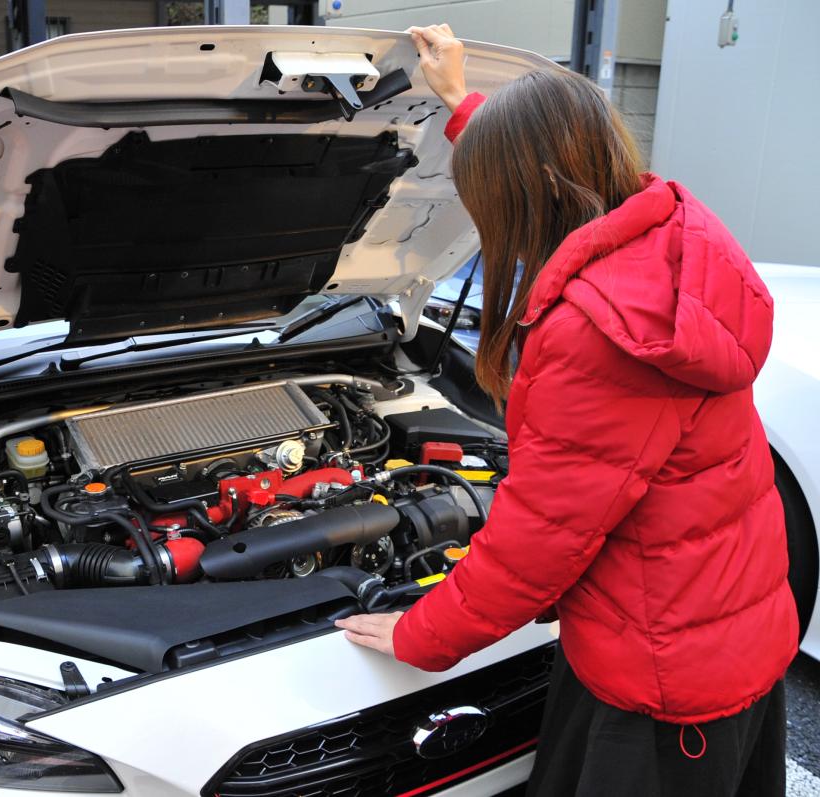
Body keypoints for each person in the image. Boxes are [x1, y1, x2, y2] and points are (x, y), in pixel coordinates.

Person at [334, 24, 798, 796]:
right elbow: (542, 157)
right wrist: (459, 100)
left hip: (659, 694)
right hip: (726, 631)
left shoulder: (597, 333)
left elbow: (535, 548)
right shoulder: (671, 234)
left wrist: (420, 633)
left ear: (529, 192)